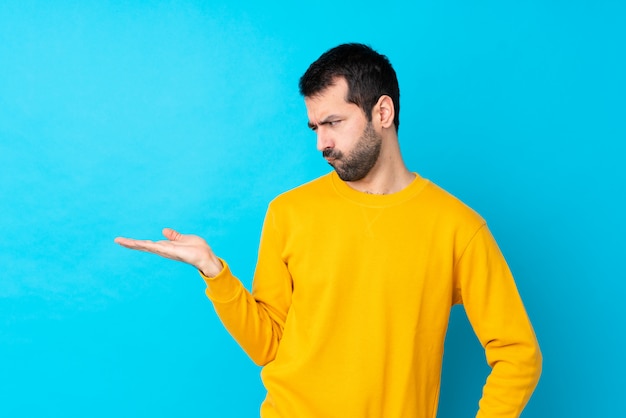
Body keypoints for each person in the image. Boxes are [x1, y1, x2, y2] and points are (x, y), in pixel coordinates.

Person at [115, 43, 542, 417]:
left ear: (383, 112)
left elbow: (517, 353)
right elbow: (270, 346)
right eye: (315, 128)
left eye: (334, 122)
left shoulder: (456, 227)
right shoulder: (289, 212)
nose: (322, 143)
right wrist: (214, 273)